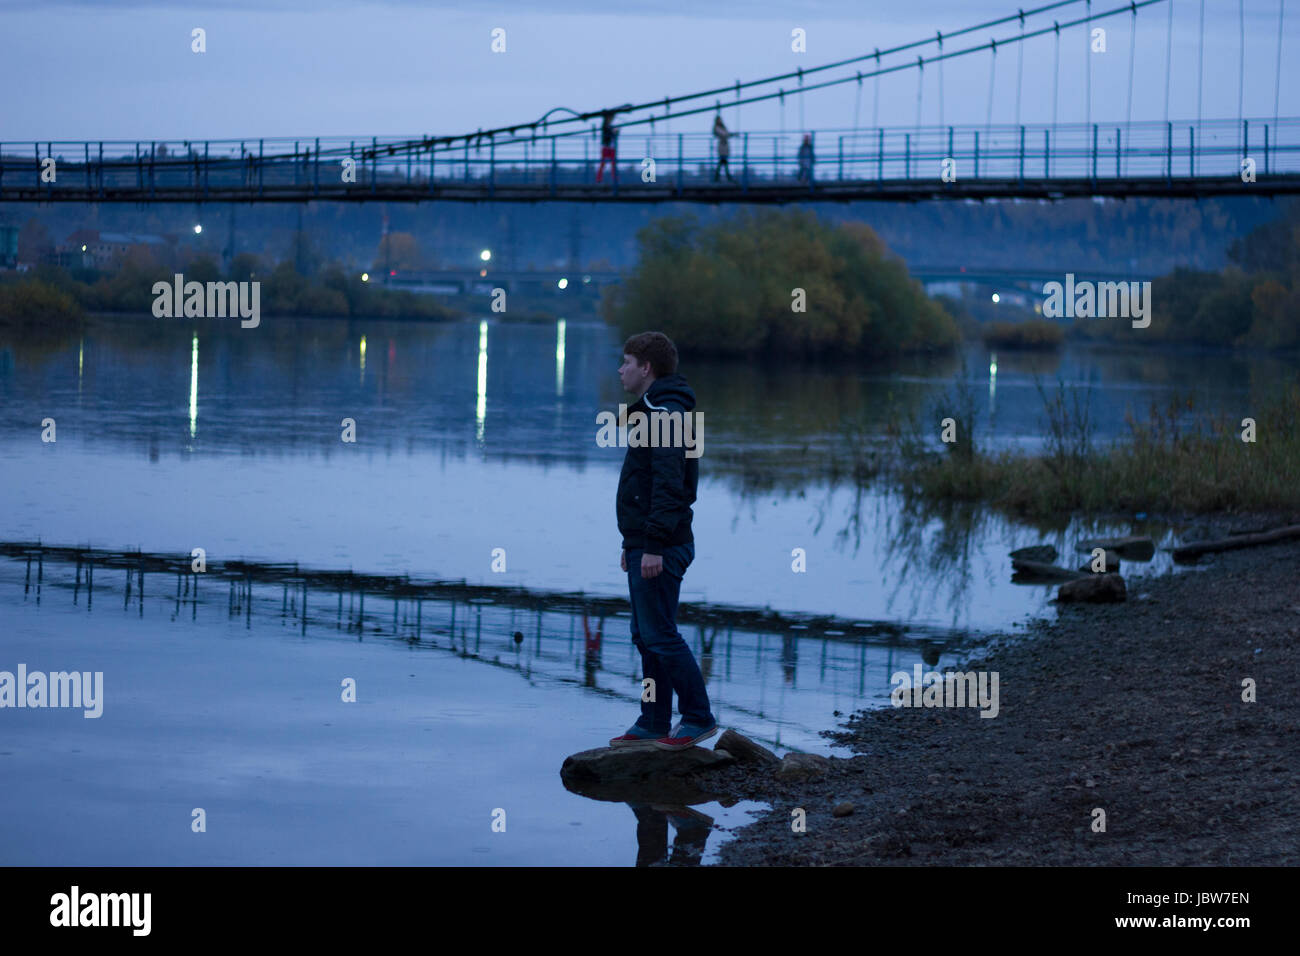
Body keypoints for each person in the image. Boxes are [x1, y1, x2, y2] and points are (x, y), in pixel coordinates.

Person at [608, 332, 718, 751]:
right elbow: (646, 485)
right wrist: (633, 542)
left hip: (663, 546)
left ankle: (698, 717)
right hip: (647, 543)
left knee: (661, 635)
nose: (621, 370)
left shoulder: (665, 413)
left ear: (646, 368)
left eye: (626, 362)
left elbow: (671, 486)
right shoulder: (654, 411)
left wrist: (652, 545)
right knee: (646, 634)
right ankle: (654, 719)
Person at [596, 110, 618, 184]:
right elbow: (610, 133)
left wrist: (615, 133)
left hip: (610, 148)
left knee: (612, 164)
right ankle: (599, 179)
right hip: (606, 147)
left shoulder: (609, 127)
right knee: (604, 164)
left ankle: (614, 179)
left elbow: (613, 136)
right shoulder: (605, 126)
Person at [712, 114, 735, 183]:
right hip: (722, 147)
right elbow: (724, 134)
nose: (720, 121)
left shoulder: (721, 127)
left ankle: (718, 177)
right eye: (719, 120)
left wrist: (730, 134)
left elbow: (725, 134)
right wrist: (731, 134)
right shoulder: (717, 127)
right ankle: (727, 177)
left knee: (723, 162)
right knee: (723, 162)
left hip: (724, 147)